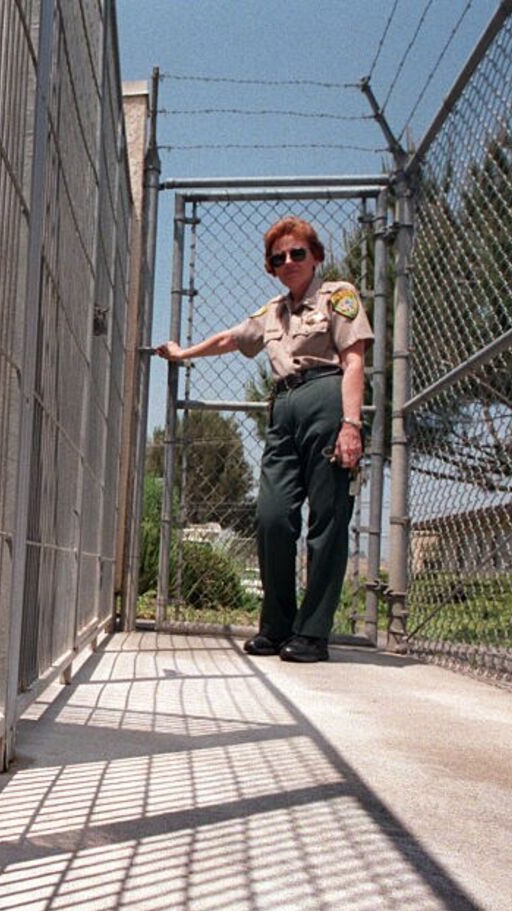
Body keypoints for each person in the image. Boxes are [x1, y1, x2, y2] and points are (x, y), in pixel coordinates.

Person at [155, 217, 372, 662]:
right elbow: (230, 339)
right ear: (271, 267)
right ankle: (276, 626)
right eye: (279, 257)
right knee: (272, 516)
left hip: (327, 400)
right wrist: (182, 354)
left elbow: (353, 362)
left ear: (316, 257)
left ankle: (312, 633)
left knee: (328, 520)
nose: (288, 261)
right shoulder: (272, 311)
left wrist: (351, 425)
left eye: (298, 253)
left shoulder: (338, 296)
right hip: (283, 409)